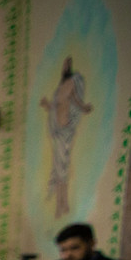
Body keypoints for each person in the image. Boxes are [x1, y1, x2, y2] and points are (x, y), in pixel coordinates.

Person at [41, 57, 92, 220]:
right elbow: (55, 106)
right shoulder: (60, 87)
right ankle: (60, 203)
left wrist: (85, 108)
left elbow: (76, 100)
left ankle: (63, 203)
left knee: (62, 167)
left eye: (68, 64)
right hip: (57, 131)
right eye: (64, 64)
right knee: (57, 168)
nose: (65, 67)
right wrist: (46, 105)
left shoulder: (70, 84)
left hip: (65, 130)